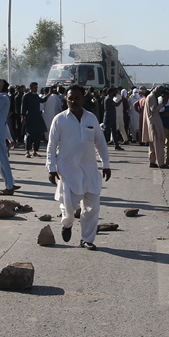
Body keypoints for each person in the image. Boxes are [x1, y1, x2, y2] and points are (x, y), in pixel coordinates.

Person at [47, 84, 112, 250]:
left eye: (77, 98)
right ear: (66, 100)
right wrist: (51, 168)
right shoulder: (60, 119)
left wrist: (106, 164)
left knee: (92, 207)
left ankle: (87, 239)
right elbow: (52, 144)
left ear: (83, 99)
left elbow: (100, 142)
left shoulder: (91, 119)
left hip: (90, 169)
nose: (73, 101)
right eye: (70, 98)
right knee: (69, 207)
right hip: (68, 170)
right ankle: (67, 223)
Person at [141, 86, 166, 169]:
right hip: (154, 123)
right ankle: (161, 163)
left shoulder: (151, 96)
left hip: (151, 122)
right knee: (158, 144)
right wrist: (162, 104)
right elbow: (153, 108)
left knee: (152, 144)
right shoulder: (152, 97)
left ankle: (152, 161)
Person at [23, 82, 47, 157]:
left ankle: (35, 151)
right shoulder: (26, 96)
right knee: (29, 135)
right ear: (30, 88)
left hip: (37, 118)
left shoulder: (36, 96)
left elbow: (42, 100)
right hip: (30, 118)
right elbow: (23, 108)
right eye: (34, 87)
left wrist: (48, 94)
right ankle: (27, 151)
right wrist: (23, 117)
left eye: (36, 88)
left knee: (38, 136)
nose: (36, 89)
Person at [102, 87, 124, 151]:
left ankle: (116, 145)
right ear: (111, 92)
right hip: (108, 118)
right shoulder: (108, 99)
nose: (115, 93)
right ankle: (99, 142)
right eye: (114, 92)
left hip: (112, 118)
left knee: (114, 133)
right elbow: (116, 104)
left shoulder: (110, 98)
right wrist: (121, 100)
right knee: (106, 132)